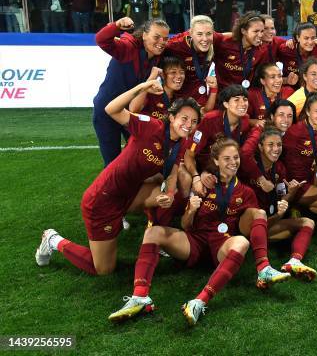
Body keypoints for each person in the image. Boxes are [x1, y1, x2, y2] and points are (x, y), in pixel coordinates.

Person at [108, 138, 289, 326]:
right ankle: (140, 297)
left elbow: (258, 226)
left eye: (236, 158)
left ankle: (199, 301)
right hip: (195, 241)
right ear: (216, 161)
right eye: (227, 158)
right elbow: (186, 225)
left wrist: (278, 214)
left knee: (242, 242)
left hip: (222, 246)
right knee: (153, 233)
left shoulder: (245, 192)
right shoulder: (203, 185)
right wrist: (191, 210)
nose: (233, 162)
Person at [35, 82, 201, 276]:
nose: (189, 125)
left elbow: (172, 173)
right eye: (184, 118)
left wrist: (170, 194)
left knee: (161, 194)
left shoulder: (181, 142)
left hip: (130, 194)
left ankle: (155, 242)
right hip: (103, 200)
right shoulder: (150, 126)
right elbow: (111, 109)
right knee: (104, 269)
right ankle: (53, 240)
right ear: (171, 117)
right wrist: (144, 86)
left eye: (194, 121)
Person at [240, 128, 317, 280]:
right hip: (246, 225)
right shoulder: (249, 168)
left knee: (308, 222)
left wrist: (291, 193)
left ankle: (294, 261)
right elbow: (244, 154)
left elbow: (281, 198)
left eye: (279, 144)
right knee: (261, 216)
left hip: (268, 221)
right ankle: (263, 266)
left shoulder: (280, 168)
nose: (276, 149)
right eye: (270, 144)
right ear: (260, 147)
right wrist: (278, 215)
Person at [93, 17, 169, 166]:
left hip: (130, 112)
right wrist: (117, 26)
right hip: (106, 111)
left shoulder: (158, 55)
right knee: (113, 162)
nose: (161, 42)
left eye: (165, 39)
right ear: (144, 35)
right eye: (156, 37)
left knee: (144, 154)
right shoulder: (128, 47)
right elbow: (102, 40)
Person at [182, 85, 253, 196]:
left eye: (245, 99)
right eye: (236, 99)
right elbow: (189, 154)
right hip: (202, 166)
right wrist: (197, 177)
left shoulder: (244, 121)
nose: (243, 103)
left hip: (225, 167)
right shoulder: (210, 120)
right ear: (225, 104)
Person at [165, 15, 218, 112]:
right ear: (191, 34)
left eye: (208, 34)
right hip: (180, 101)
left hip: (202, 100)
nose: (205, 39)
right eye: (199, 34)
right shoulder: (176, 45)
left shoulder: (216, 42)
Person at [212, 11, 268, 91]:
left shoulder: (262, 50)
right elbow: (203, 33)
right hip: (222, 95)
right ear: (243, 31)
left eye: (262, 31)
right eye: (256, 31)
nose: (260, 35)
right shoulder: (224, 42)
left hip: (244, 96)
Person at [129, 55, 185, 120]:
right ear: (162, 75)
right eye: (173, 72)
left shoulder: (180, 101)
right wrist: (152, 77)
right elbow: (133, 109)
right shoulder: (150, 93)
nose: (179, 76)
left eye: (182, 72)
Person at [277, 22, 317, 87]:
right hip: (290, 87)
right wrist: (285, 80)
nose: (310, 42)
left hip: (312, 87)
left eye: (313, 38)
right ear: (298, 38)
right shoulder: (286, 49)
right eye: (306, 38)